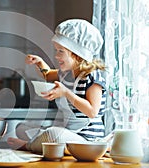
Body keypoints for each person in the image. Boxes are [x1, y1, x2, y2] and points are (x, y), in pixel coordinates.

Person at [7, 19, 107, 153]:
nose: (56, 56)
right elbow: (48, 75)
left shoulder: (92, 77)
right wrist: (40, 63)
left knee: (53, 134)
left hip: (87, 140)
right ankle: (48, 145)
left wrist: (66, 93)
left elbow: (92, 111)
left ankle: (29, 146)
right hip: (69, 133)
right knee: (20, 128)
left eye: (61, 51)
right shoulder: (66, 74)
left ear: (77, 54)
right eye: (56, 50)